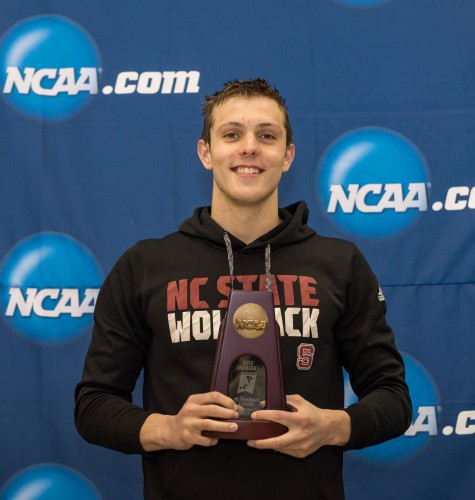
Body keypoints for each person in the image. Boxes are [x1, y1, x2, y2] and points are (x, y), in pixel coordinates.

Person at [74, 78, 412, 499]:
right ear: (206, 152)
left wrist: (333, 426)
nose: (249, 147)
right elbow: (94, 405)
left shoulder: (339, 263)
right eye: (231, 134)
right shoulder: (145, 266)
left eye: (267, 136)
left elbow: (394, 398)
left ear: (287, 156)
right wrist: (168, 428)